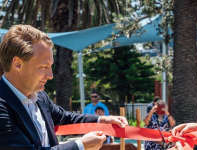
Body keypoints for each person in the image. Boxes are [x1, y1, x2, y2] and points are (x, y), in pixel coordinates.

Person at [0, 25, 128, 150]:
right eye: (43, 67)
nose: (50, 75)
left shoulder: (39, 96)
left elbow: (63, 117)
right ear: (17, 64)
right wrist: (81, 146)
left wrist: (102, 120)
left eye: (51, 66)